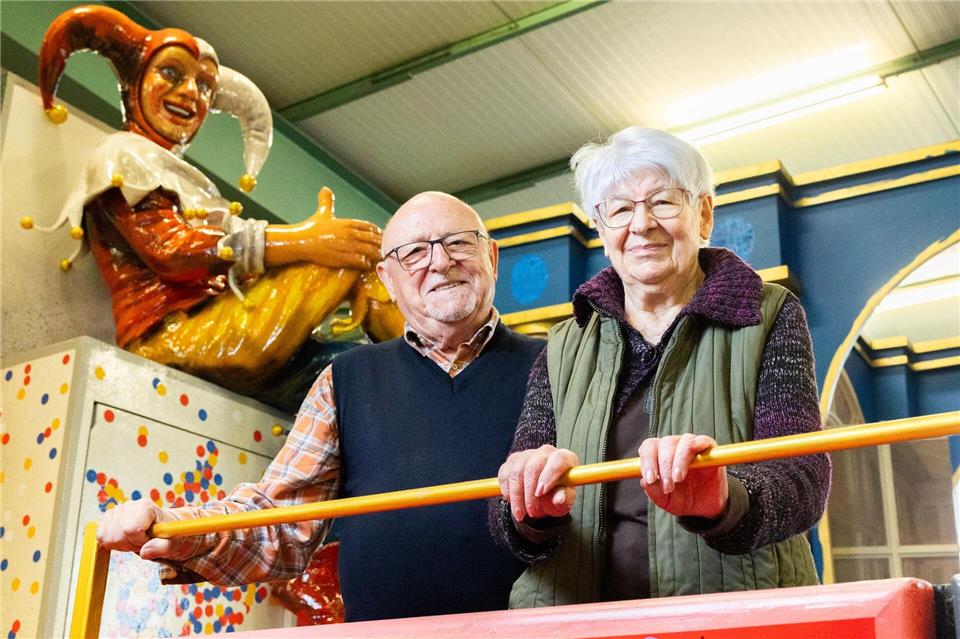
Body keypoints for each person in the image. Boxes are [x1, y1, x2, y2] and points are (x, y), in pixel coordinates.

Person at [97, 192, 545, 622]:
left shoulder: (560, 363)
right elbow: (279, 522)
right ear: (387, 281)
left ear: (492, 257)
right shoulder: (344, 380)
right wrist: (172, 528)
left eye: (458, 243)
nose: (440, 262)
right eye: (413, 254)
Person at [490, 127, 831, 607]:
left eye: (663, 202)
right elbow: (508, 515)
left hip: (731, 615)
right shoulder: (562, 345)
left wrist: (722, 499)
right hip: (573, 620)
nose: (642, 224)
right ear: (601, 227)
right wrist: (532, 510)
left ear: (704, 215)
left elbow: (801, 479)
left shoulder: (768, 314)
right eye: (620, 209)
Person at [31, 5, 399, 400]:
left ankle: (432, 378)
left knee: (362, 369)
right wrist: (301, 242)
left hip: (220, 330)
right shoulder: (124, 156)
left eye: (205, 86)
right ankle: (443, 367)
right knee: (353, 253)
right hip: (173, 340)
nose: (191, 92)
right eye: (171, 73)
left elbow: (222, 266)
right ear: (134, 83)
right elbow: (170, 251)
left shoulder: (191, 184)